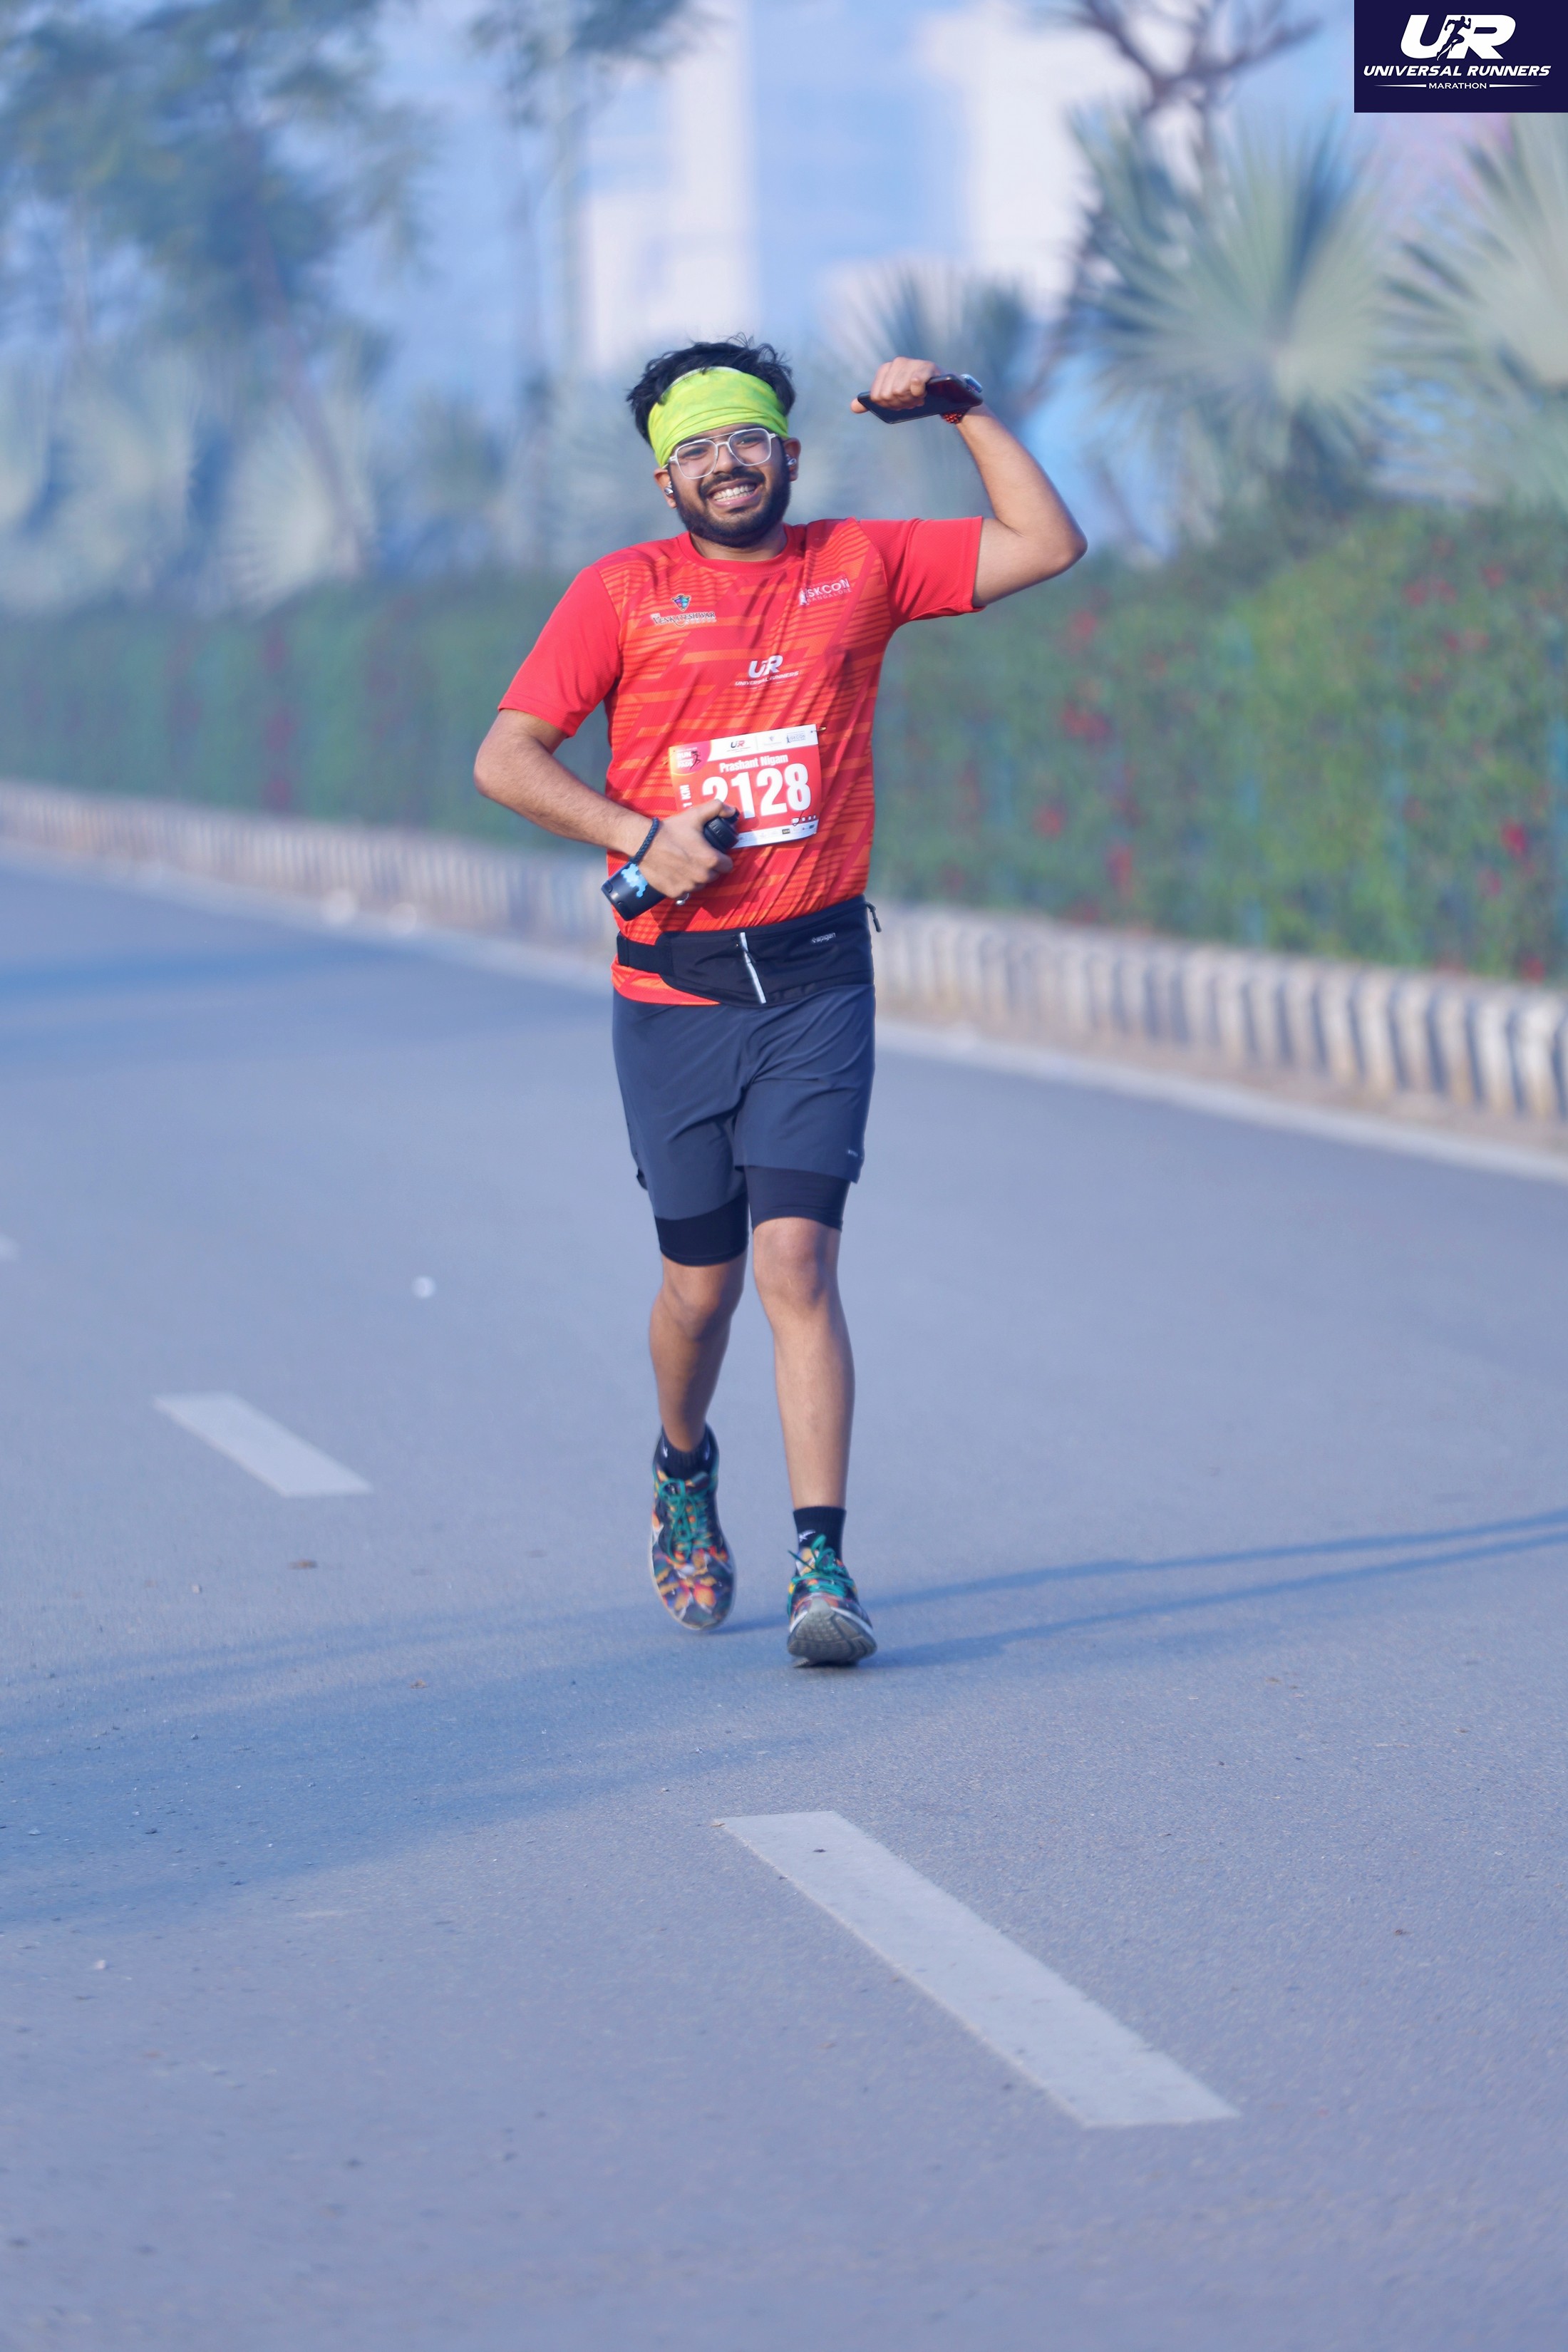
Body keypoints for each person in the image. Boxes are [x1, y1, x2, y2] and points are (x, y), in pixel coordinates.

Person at [474, 337, 1085, 1666]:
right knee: (700, 1291)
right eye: (695, 450)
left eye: (745, 439)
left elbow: (1046, 544)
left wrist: (963, 411)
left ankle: (824, 1563)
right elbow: (506, 758)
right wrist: (638, 839)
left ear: (788, 455)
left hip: (815, 982)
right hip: (676, 996)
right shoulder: (621, 595)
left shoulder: (859, 564)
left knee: (796, 1263)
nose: (726, 464)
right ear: (665, 481)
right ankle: (682, 1462)